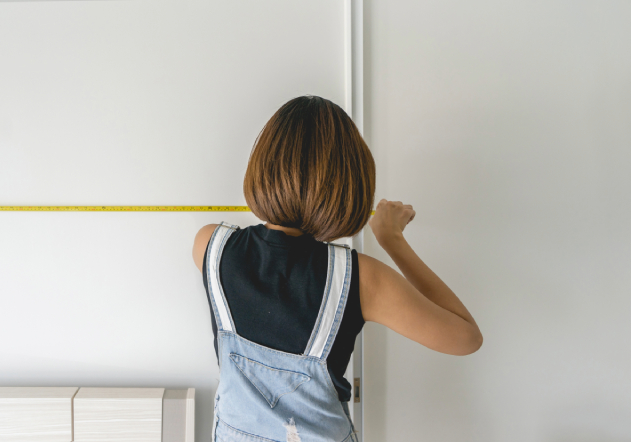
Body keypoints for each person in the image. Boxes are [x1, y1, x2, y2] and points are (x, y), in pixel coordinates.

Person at [192, 95, 482, 442]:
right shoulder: (360, 279)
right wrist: (392, 240)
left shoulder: (210, 246)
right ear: (349, 182)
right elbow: (465, 337)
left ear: (263, 166)